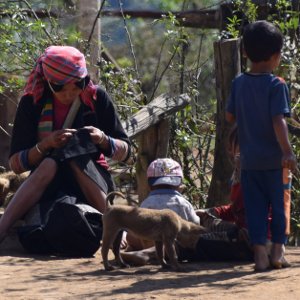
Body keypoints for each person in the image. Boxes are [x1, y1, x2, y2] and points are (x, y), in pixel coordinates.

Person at [0, 45, 131, 243]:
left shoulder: (97, 99)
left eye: (78, 85)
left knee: (72, 150)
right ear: (47, 81)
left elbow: (127, 153)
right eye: (61, 87)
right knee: (54, 158)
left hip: (92, 181)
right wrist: (45, 145)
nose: (70, 93)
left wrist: (103, 139)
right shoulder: (32, 103)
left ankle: (113, 224)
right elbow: (16, 164)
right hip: (47, 184)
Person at [226, 21, 297, 272]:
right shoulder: (277, 85)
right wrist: (287, 151)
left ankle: (259, 256)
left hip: (249, 162)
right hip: (275, 162)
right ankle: (277, 251)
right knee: (280, 206)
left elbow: (230, 117)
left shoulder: (238, 83)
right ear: (276, 56)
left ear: (245, 52)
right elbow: (278, 120)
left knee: (255, 209)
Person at [122, 158, 252, 265]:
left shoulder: (146, 203)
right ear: (179, 184)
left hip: (149, 240)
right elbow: (193, 223)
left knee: (132, 236)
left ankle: (138, 250)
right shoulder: (183, 203)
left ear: (150, 185)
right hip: (176, 241)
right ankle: (159, 254)